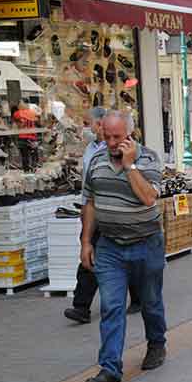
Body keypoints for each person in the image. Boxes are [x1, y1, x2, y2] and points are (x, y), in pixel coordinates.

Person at [81, 110, 167, 382]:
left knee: (151, 301)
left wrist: (130, 167)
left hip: (146, 243)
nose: (112, 142)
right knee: (112, 306)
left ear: (130, 134)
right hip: (110, 247)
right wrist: (86, 242)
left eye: (118, 137)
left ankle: (156, 342)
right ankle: (110, 369)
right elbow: (90, 202)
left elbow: (148, 197)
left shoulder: (148, 158)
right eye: (107, 136)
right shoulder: (95, 160)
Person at [64, 107, 141, 325]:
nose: (87, 128)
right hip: (94, 208)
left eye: (89, 123)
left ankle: (138, 297)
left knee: (129, 256)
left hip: (118, 212)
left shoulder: (130, 150)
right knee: (89, 256)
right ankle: (81, 306)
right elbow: (89, 183)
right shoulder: (91, 149)